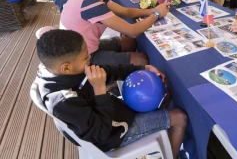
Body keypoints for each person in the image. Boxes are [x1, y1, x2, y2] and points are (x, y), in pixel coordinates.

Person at [35, 29, 187, 159]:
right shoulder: (62, 100)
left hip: (112, 112)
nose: (89, 60)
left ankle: (162, 133)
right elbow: (100, 133)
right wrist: (100, 90)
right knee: (180, 117)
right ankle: (171, 152)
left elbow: (107, 71)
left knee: (165, 95)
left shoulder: (63, 72)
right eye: (86, 58)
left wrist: (142, 68)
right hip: (112, 135)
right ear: (66, 68)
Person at [60, 0, 171, 67]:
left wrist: (153, 10)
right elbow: (132, 31)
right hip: (84, 58)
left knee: (130, 42)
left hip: (88, 46)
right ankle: (106, 81)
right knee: (141, 60)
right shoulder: (89, 1)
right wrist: (156, 14)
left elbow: (125, 11)